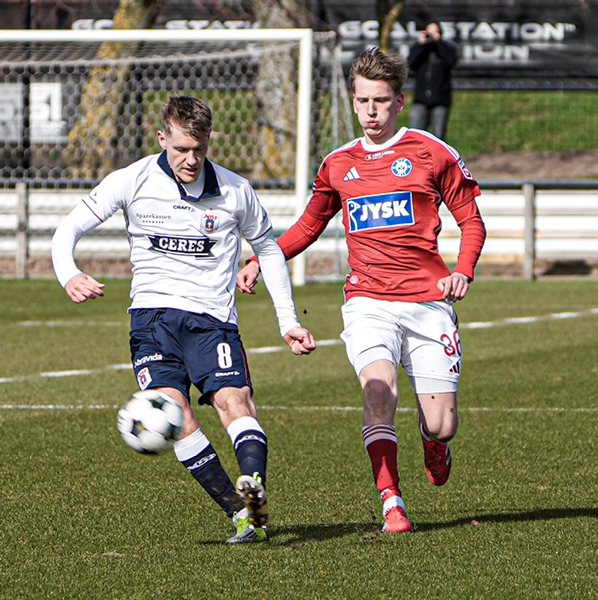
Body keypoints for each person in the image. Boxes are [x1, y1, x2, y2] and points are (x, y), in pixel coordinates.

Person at [237, 48, 486, 534]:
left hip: (428, 302)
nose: (371, 111)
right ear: (353, 101)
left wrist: (463, 271)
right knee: (379, 391)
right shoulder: (338, 164)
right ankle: (392, 500)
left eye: (381, 100)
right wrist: (260, 260)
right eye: (362, 101)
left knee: (442, 424)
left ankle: (432, 441)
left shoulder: (432, 152)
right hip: (368, 302)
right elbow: (308, 226)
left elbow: (472, 221)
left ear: (399, 101)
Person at [51, 95, 316, 544]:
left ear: (209, 141)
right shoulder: (131, 179)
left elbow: (268, 249)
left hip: (212, 321)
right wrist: (69, 273)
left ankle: (253, 486)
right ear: (162, 138)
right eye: (181, 149)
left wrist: (287, 321)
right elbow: (68, 230)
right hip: (152, 321)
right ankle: (243, 516)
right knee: (174, 414)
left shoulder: (235, 190)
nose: (191, 160)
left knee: (234, 402)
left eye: (199, 149)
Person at [407, 20, 458, 141]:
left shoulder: (446, 48)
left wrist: (438, 42)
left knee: (439, 137)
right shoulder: (419, 49)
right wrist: (420, 45)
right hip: (420, 99)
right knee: (415, 136)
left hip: (440, 100)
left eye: (435, 32)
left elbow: (451, 61)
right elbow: (410, 64)